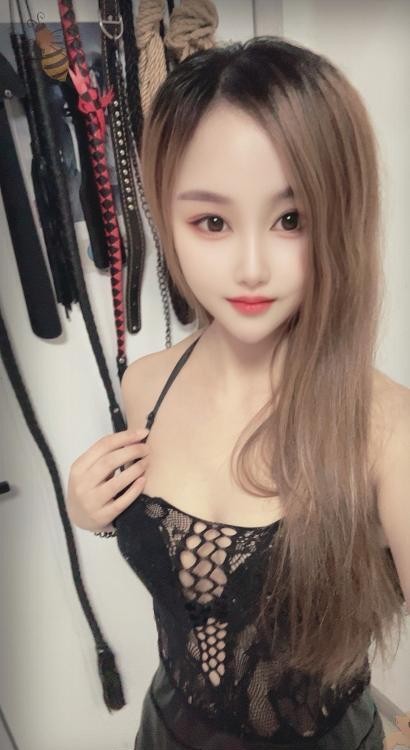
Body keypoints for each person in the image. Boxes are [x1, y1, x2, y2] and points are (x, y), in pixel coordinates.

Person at [67, 36, 409, 750]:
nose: (251, 267)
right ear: (167, 218)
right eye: (212, 222)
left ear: (339, 217)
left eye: (292, 219)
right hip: (168, 729)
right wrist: (92, 514)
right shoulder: (146, 386)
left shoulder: (386, 431)